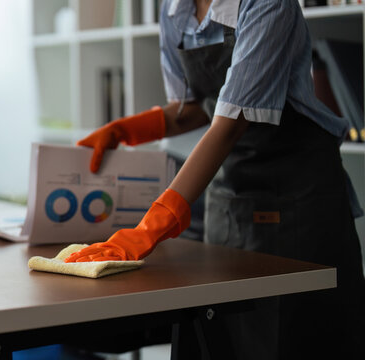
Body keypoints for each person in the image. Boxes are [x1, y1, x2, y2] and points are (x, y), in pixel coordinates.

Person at [64, 0, 365, 358]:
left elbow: (230, 122)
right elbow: (194, 108)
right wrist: (124, 131)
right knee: (221, 335)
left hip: (299, 201)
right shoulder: (175, 11)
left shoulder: (268, 4)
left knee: (297, 336)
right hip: (230, 200)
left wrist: (150, 228)